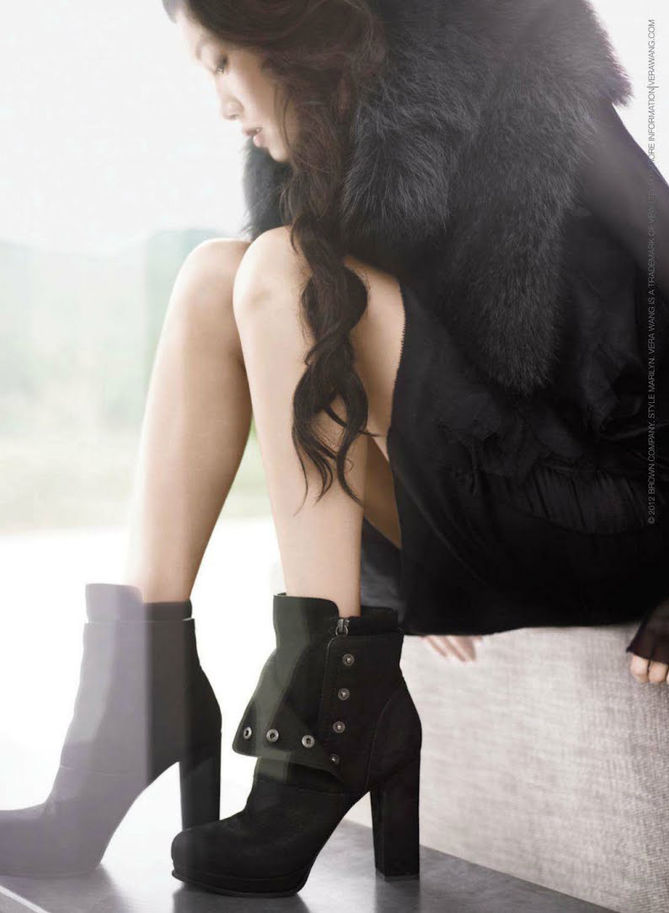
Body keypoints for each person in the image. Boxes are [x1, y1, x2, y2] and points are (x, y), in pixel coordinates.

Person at [1, 0, 667, 898]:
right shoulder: (328, 147)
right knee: (214, 274)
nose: (221, 104)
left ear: (284, 37)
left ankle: (337, 714)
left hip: (606, 504)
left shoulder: (526, 73)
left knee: (284, 268)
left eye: (220, 63)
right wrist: (400, 566)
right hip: (481, 488)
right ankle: (138, 706)